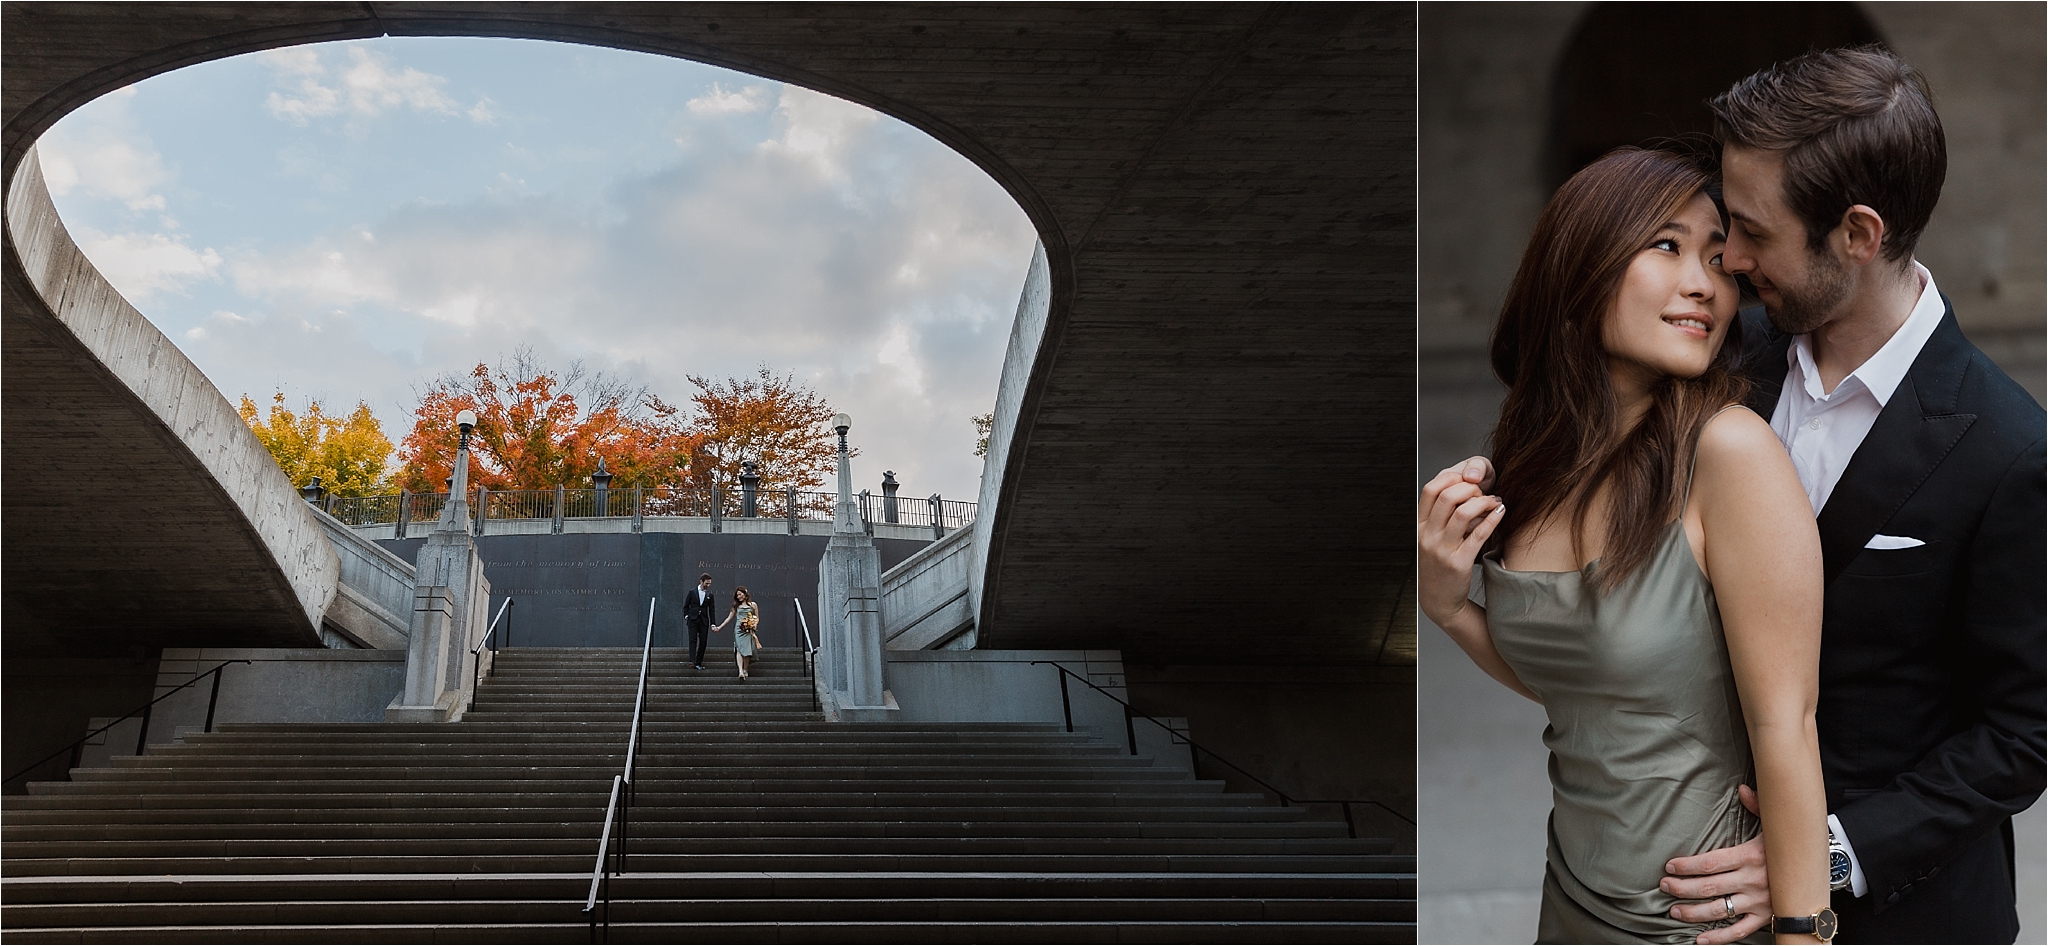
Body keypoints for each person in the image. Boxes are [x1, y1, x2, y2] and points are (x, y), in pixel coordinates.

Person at [1645, 46, 2045, 945]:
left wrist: (1820, 854)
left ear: (1858, 235)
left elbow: (2025, 735)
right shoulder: (1716, 360)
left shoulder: (2013, 449)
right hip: (1695, 896)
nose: (1730, 259)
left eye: (1753, 232)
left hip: (1912, 917)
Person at [1417, 147, 1834, 943]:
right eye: (1668, 246)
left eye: (1719, 257)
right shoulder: (1532, 465)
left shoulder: (1729, 453)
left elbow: (1789, 727)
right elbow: (1592, 696)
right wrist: (1448, 609)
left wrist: (1802, 931)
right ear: (1582, 264)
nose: (1706, 283)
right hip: (1570, 901)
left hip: (1695, 922)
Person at [712, 586, 762, 681]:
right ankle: (740, 671)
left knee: (747, 651)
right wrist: (719, 627)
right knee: (739, 649)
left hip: (748, 629)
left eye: (740, 594)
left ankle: (745, 669)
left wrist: (754, 625)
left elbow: (756, 618)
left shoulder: (753, 605)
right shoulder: (736, 606)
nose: (738, 597)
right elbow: (729, 618)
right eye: (737, 595)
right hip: (739, 630)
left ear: (745, 593)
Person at [682, 573, 716, 671]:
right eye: (707, 583)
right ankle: (692, 661)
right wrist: (686, 616)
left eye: (709, 584)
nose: (708, 585)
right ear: (701, 581)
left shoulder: (710, 595)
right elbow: (686, 606)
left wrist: (713, 623)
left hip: (704, 621)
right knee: (692, 640)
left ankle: (698, 662)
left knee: (703, 641)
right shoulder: (692, 592)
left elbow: (712, 610)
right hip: (692, 619)